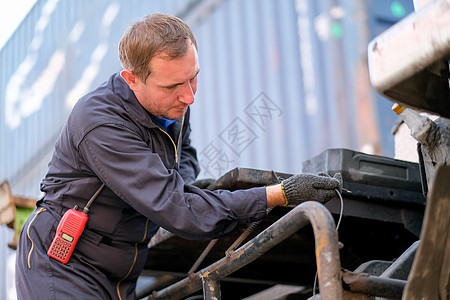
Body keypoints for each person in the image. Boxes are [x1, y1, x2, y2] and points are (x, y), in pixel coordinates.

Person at [15, 13, 342, 299]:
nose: (189, 96)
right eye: (173, 86)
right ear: (132, 79)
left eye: (194, 77)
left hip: (120, 273)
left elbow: (183, 156)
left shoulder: (174, 101)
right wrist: (280, 193)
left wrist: (183, 187)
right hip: (64, 266)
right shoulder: (99, 122)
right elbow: (178, 211)